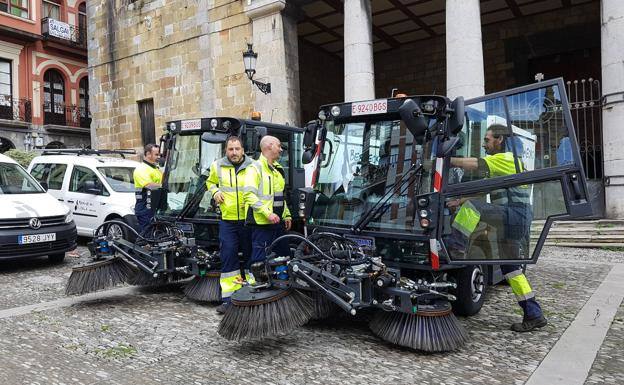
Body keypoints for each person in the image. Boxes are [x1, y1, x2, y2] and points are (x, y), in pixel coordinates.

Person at [448, 124, 547, 333]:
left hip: (512, 214)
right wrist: (459, 201)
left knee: (472, 208)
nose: (484, 144)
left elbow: (472, 164)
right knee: (511, 269)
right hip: (515, 219)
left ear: (499, 140)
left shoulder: (507, 159)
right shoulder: (504, 165)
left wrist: (443, 160)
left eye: (487, 140)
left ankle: (455, 247)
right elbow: (484, 190)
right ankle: (534, 313)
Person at [205, 136, 254, 314]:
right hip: (227, 220)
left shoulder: (253, 166)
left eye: (237, 149)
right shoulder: (217, 165)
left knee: (251, 256)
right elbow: (209, 182)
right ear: (226, 150)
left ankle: (251, 295)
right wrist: (215, 191)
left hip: (249, 220)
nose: (234, 152)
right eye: (231, 149)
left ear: (243, 150)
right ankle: (228, 299)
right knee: (228, 255)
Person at [243, 135, 292, 266]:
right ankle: (260, 285)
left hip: (278, 224)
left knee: (284, 258)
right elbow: (248, 195)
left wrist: (286, 215)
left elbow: (280, 196)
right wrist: (268, 214)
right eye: (279, 146)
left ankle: (282, 284)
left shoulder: (278, 169)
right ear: (270, 146)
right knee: (260, 262)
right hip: (262, 225)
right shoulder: (254, 169)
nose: (281, 149)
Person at [133, 144, 162, 232]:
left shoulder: (155, 168)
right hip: (145, 208)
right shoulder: (141, 169)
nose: (159, 157)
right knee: (147, 235)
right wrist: (164, 185)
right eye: (156, 154)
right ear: (148, 154)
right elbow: (149, 185)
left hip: (154, 208)